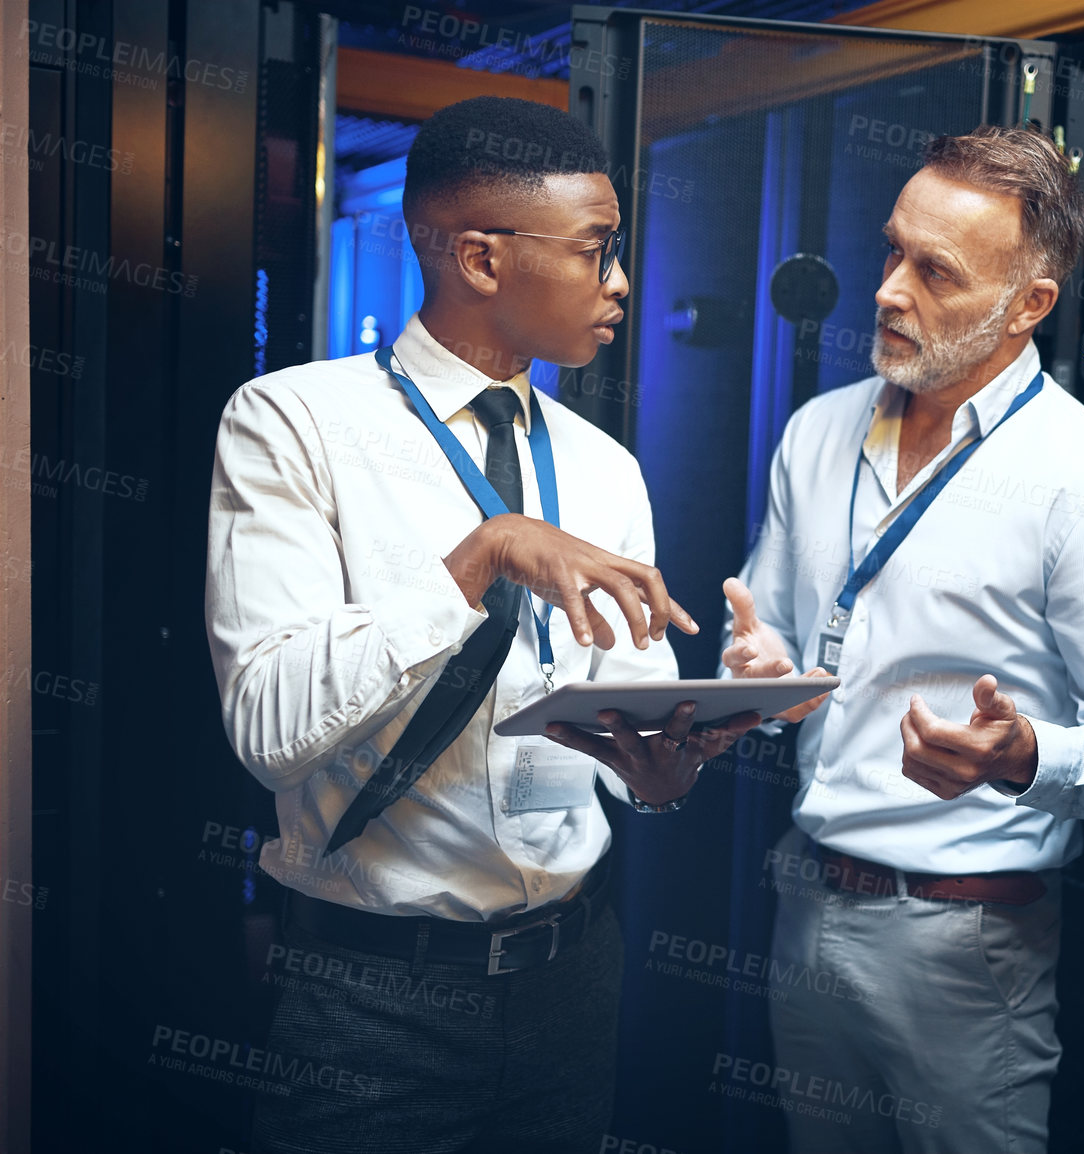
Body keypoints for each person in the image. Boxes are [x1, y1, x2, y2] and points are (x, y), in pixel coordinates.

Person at [205, 95, 759, 1154]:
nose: (621, 283)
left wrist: (665, 765)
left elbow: (619, 741)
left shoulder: (607, 466)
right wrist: (481, 554)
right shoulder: (289, 422)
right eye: (598, 250)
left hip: (574, 979)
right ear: (480, 257)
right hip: (367, 996)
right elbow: (265, 728)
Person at [721, 125, 1084, 1153]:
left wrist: (1030, 756)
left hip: (968, 940)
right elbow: (778, 641)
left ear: (1028, 306)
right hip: (807, 904)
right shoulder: (817, 431)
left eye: (936, 272)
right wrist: (755, 679)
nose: (890, 291)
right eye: (893, 250)